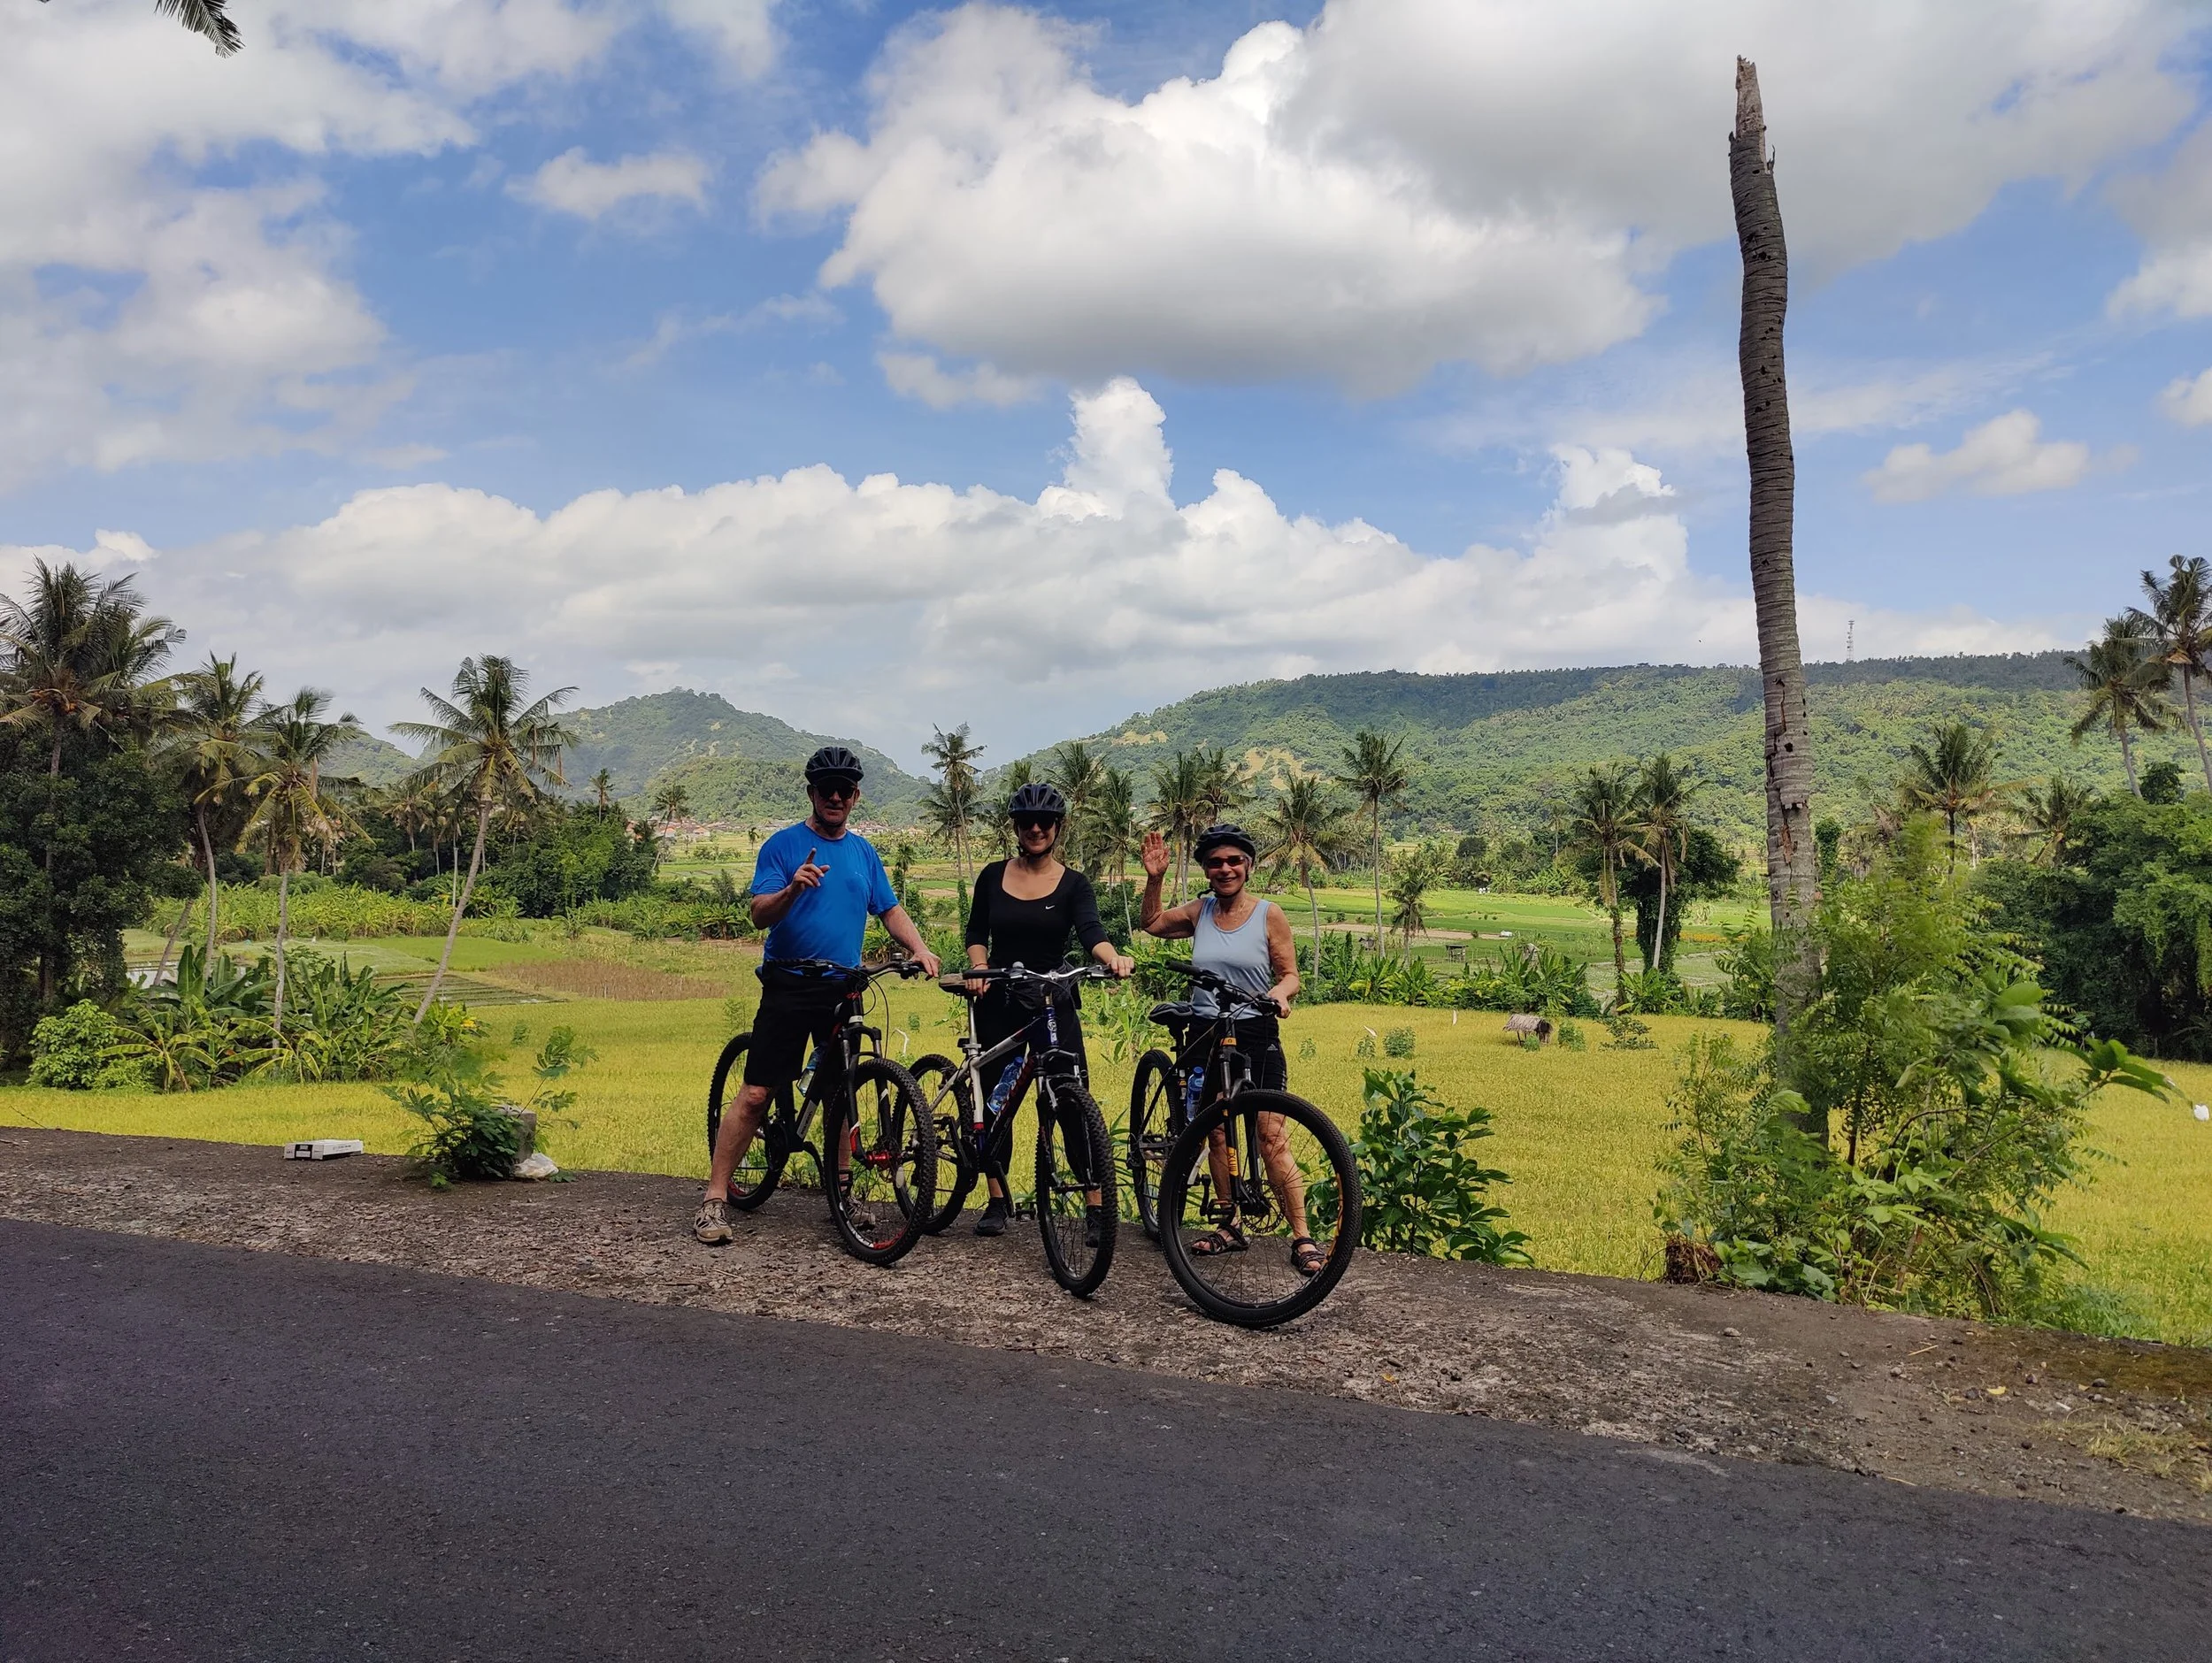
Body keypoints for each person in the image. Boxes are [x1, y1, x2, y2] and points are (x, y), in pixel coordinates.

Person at [695, 746, 940, 1245]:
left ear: (856, 797)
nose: (834, 796)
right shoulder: (783, 847)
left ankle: (842, 1194)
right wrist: (792, 890)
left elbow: (889, 910)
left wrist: (920, 949)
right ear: (811, 793)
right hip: (789, 982)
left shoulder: (863, 853)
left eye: (844, 790)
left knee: (842, 1096)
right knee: (758, 1092)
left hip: (842, 987)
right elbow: (759, 914)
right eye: (825, 788)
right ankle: (714, 1199)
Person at [1138, 821, 1323, 1276]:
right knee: (1216, 1130)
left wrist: (1281, 994)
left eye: (1234, 860)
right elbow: (1153, 924)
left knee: (1270, 1135)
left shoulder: (1268, 914)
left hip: (1256, 1031)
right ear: (1205, 869)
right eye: (1216, 862)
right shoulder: (1200, 912)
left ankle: (1301, 1236)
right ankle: (1229, 1223)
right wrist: (1155, 879)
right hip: (1207, 1031)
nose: (1226, 868)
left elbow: (1290, 974)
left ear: (1249, 866)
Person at [959, 781, 1134, 1238]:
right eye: (1026, 821)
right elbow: (977, 931)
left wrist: (1111, 958)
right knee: (996, 1102)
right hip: (996, 996)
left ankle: (1095, 1205)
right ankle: (998, 1197)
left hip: (1052, 998)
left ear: (1058, 827)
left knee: (1072, 1100)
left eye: (1045, 822)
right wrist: (979, 967)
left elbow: (1092, 933)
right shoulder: (992, 876)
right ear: (1015, 827)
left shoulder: (1074, 884)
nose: (1035, 829)